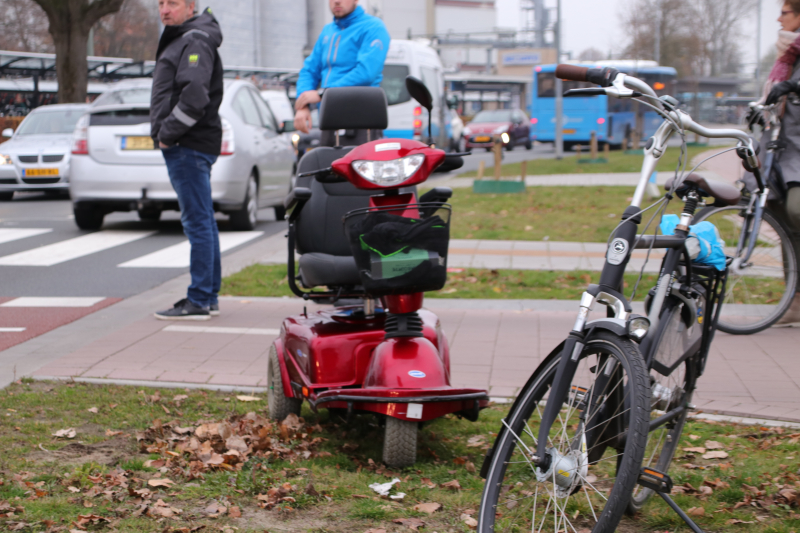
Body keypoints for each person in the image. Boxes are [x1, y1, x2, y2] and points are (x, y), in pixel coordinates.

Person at [151, 0, 224, 321]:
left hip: (187, 144)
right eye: (161, 3)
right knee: (204, 221)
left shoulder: (194, 38)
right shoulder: (190, 36)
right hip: (191, 143)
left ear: (190, 6)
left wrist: (168, 133)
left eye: (173, 3)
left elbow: (194, 95)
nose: (165, 9)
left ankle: (198, 300)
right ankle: (207, 297)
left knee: (197, 223)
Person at [753, 0, 800, 324]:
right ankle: (794, 297)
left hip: (798, 150)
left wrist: (793, 86)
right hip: (782, 149)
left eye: (784, 12)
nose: (778, 17)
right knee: (779, 216)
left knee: (797, 211)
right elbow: (776, 95)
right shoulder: (787, 56)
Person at [293, 0, 390, 145]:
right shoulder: (328, 31)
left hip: (361, 121)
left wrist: (323, 94)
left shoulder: (373, 27)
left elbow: (366, 73)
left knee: (359, 167)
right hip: (329, 119)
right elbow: (309, 70)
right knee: (327, 166)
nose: (337, 1)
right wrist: (303, 105)